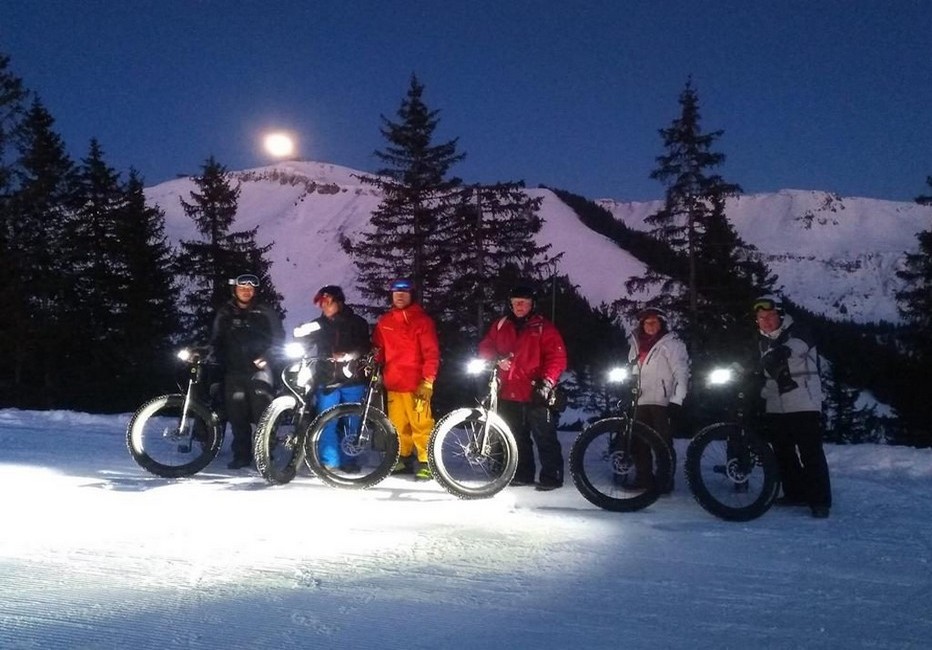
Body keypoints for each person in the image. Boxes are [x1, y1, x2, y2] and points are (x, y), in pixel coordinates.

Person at [478, 285, 567, 491]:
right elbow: (485, 346)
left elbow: (557, 357)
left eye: (524, 302)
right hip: (508, 390)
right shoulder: (501, 325)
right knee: (516, 435)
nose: (519, 305)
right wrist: (496, 359)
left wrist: (547, 382)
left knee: (544, 435)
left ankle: (552, 476)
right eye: (516, 301)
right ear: (510, 304)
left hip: (536, 390)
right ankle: (522, 474)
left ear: (531, 305)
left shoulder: (543, 327)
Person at [754, 295, 832, 519]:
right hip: (777, 405)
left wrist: (782, 351)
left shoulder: (797, 331)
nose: (766, 321)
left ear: (780, 315)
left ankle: (820, 501)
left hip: (803, 401)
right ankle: (795, 493)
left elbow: (798, 347)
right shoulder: (763, 342)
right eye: (761, 318)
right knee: (783, 451)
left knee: (810, 451)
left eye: (770, 316)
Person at [210, 272, 285, 469]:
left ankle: (265, 455)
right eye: (242, 288)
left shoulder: (265, 312)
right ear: (235, 290)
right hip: (233, 371)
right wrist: (211, 356)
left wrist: (267, 358)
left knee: (263, 415)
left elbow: (278, 338)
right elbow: (216, 340)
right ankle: (241, 455)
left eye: (250, 289)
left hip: (260, 371)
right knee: (237, 417)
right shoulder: (225, 313)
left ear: (255, 291)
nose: (246, 291)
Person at [296, 285, 371, 471]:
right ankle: (329, 460)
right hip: (326, 379)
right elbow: (305, 342)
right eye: (322, 303)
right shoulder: (317, 325)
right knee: (326, 420)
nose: (325, 307)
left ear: (339, 302)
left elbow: (364, 346)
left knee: (352, 421)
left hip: (353, 378)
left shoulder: (357, 322)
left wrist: (348, 355)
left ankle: (350, 460)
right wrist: (299, 337)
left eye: (329, 302)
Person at [372, 278, 440, 481]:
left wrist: (428, 380)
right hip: (394, 383)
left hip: (417, 384)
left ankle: (426, 462)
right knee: (397, 424)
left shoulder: (422, 321)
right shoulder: (385, 321)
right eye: (395, 292)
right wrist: (374, 362)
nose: (399, 296)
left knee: (421, 424)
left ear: (412, 295)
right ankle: (400, 459)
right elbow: (379, 349)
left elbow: (431, 353)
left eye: (404, 292)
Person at [627, 307, 690, 493]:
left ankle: (664, 482)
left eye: (655, 321)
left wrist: (677, 399)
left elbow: (681, 371)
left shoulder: (672, 343)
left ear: (661, 323)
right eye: (647, 322)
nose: (651, 325)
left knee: (662, 443)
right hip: (641, 400)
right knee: (639, 441)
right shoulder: (636, 344)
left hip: (662, 402)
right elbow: (632, 370)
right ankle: (643, 478)